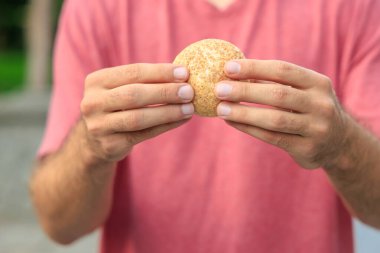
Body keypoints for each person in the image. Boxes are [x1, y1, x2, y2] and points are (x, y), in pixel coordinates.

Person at [29, 0, 380, 252]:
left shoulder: (354, 7)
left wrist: (342, 143)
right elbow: (60, 226)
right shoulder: (97, 9)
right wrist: (90, 148)